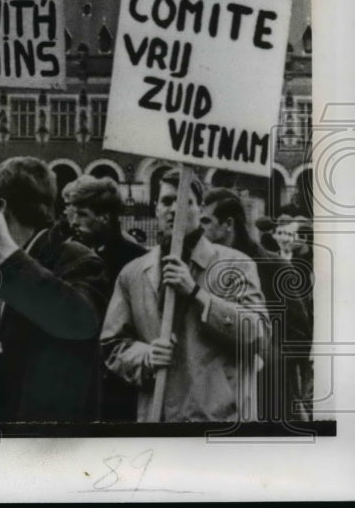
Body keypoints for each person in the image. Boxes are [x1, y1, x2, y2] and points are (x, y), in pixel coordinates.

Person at [101, 170, 268, 422]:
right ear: (156, 208)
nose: (174, 210)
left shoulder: (236, 264)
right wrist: (145, 356)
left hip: (219, 422)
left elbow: (258, 335)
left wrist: (196, 293)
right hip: (159, 418)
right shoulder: (133, 273)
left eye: (184, 202)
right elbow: (112, 345)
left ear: (200, 210)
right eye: (167, 201)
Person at [0, 157, 110, 422]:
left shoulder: (78, 261)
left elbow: (77, 321)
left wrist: (5, 248)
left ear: (0, 207)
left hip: (51, 441)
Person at [200, 188, 312, 422]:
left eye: (206, 221)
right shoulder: (205, 268)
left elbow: (300, 337)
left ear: (228, 224)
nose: (200, 228)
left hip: (267, 398)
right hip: (220, 399)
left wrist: (264, 361)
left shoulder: (274, 267)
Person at [62, 175, 147, 421]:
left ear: (105, 217)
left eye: (83, 215)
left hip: (118, 382)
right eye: (73, 213)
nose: (74, 222)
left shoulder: (136, 261)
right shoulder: (69, 253)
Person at [272, 213, 315, 419]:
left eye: (288, 233)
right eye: (280, 233)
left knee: (302, 387)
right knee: (287, 387)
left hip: (300, 331)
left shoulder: (302, 264)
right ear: (274, 236)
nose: (284, 238)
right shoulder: (270, 260)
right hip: (279, 332)